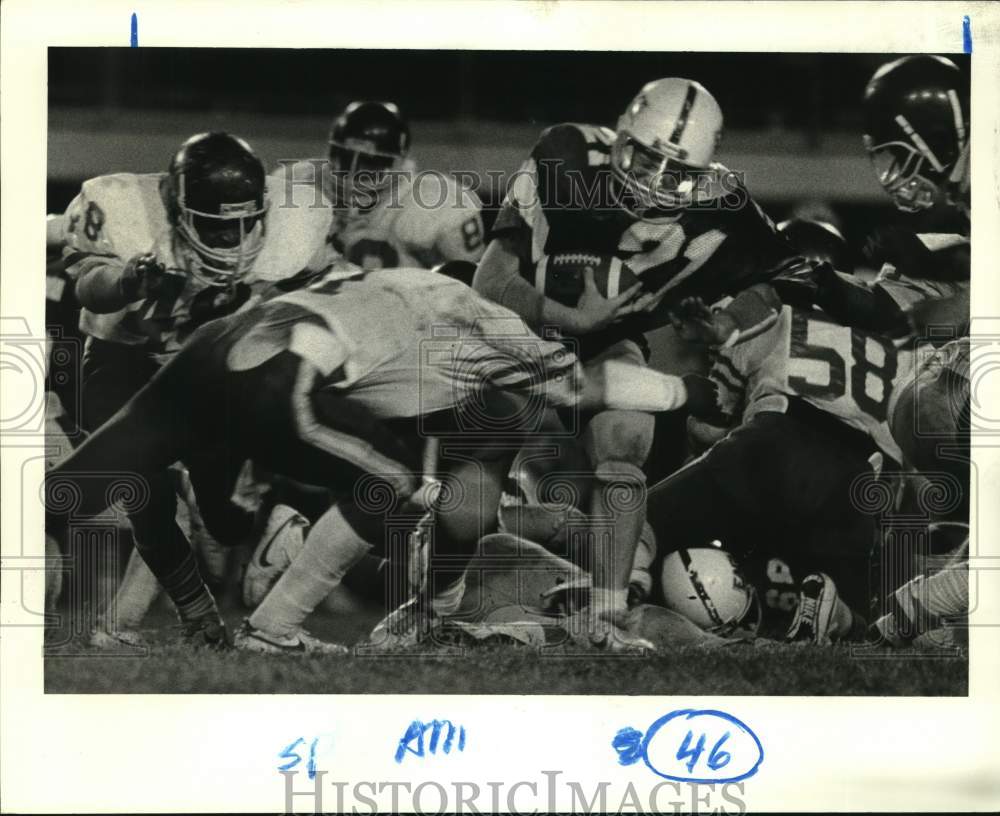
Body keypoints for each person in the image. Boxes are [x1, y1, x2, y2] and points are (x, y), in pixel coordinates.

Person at [46, 265, 690, 652]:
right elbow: (587, 389)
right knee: (392, 486)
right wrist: (676, 388)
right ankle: (274, 627)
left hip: (214, 349)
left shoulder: (380, 288)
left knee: (65, 492)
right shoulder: (485, 326)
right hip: (281, 377)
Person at [472, 77, 792, 646]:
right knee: (472, 488)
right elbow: (491, 278)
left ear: (703, 173)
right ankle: (432, 588)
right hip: (513, 328)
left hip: (608, 340)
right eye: (643, 160)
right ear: (620, 135)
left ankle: (608, 617)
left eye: (675, 174)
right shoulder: (565, 155)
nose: (652, 184)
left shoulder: (725, 207)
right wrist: (571, 319)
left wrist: (723, 323)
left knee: (627, 440)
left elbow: (780, 280)